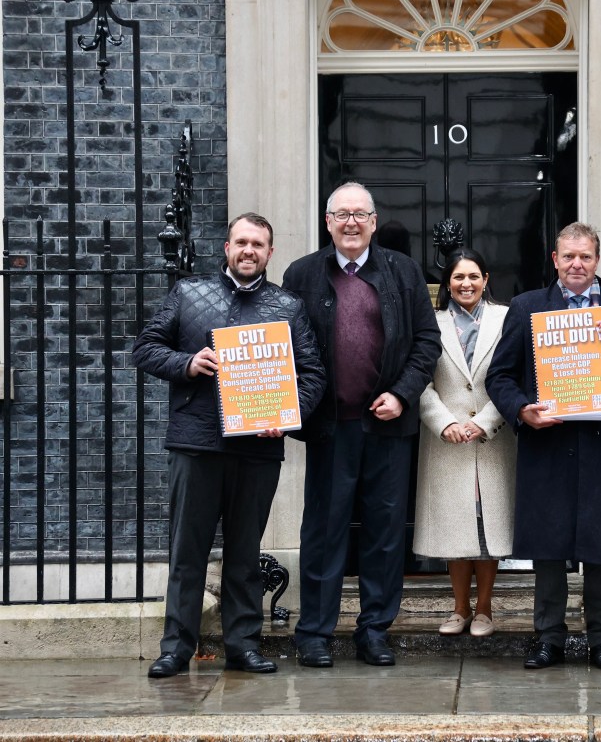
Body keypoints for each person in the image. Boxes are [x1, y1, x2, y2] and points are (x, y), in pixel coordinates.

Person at [132, 212, 325, 678]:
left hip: (257, 449)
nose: (248, 251)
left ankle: (243, 644)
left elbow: (313, 375)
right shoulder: (188, 293)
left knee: (244, 553)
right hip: (196, 444)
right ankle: (176, 647)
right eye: (241, 242)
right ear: (227, 246)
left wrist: (287, 415)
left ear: (269, 253)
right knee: (187, 551)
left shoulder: (288, 306)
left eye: (258, 244)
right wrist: (187, 362)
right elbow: (144, 348)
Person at [485, 222, 601, 671]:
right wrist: (522, 409)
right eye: (569, 257)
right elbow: (500, 376)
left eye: (585, 256)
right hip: (549, 443)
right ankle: (548, 637)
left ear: (597, 260)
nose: (577, 264)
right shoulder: (527, 309)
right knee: (547, 546)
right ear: (555, 260)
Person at [282, 182, 441, 668]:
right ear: (327, 222)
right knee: (324, 532)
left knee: (384, 532)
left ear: (374, 221)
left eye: (360, 214)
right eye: (341, 214)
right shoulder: (302, 274)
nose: (351, 222)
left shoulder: (403, 271)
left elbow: (426, 342)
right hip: (331, 426)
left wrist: (402, 394)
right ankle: (314, 632)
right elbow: (283, 344)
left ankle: (374, 630)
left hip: (387, 426)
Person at [414, 248, 516, 637]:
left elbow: (514, 373)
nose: (466, 284)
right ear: (448, 283)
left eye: (474, 276)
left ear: (486, 279)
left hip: (493, 439)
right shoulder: (431, 322)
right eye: (458, 277)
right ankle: (459, 609)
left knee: (486, 526)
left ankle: (486, 609)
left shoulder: (507, 319)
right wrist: (443, 423)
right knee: (457, 527)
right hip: (447, 441)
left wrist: (487, 421)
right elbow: (420, 378)